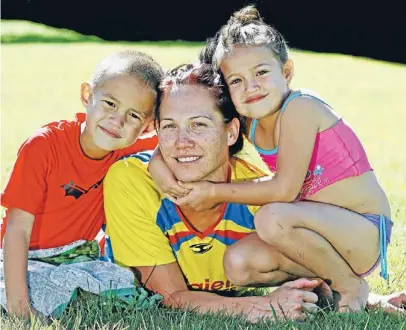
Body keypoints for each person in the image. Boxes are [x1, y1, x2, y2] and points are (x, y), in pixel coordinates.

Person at [148, 6, 394, 312]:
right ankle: (328, 292)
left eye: (261, 72)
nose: (250, 87)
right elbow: (180, 119)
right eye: (235, 81)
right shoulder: (250, 120)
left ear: (286, 72)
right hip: (318, 235)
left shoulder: (300, 108)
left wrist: (211, 192)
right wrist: (156, 165)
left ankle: (350, 286)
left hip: (362, 231)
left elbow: (283, 191)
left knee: (270, 217)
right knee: (238, 263)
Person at [104, 62, 336, 323]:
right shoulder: (131, 180)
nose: (182, 143)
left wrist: (356, 295)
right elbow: (169, 295)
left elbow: (325, 249)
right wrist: (262, 307)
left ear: (232, 132)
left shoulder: (259, 185)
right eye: (170, 126)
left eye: (199, 125)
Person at [0, 49, 164, 317]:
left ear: (146, 128)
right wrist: (20, 305)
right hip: (23, 255)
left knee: (120, 279)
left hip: (78, 257)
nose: (117, 121)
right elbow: (17, 230)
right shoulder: (44, 146)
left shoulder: (125, 148)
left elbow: (179, 135)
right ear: (87, 95)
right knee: (26, 286)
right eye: (110, 103)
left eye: (133, 116)